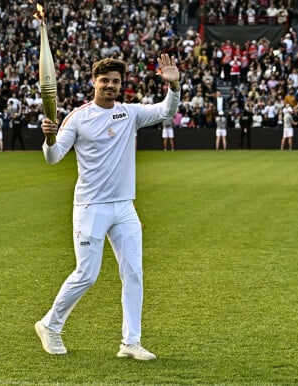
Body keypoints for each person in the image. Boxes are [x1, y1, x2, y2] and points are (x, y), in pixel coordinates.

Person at [35, 54, 180, 361]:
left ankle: (131, 342)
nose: (111, 85)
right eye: (105, 81)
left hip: (124, 207)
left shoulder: (130, 113)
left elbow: (167, 111)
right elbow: (54, 156)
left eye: (115, 81)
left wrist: (174, 85)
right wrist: (49, 139)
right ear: (94, 82)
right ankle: (50, 324)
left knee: (134, 273)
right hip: (90, 207)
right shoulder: (78, 117)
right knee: (87, 274)